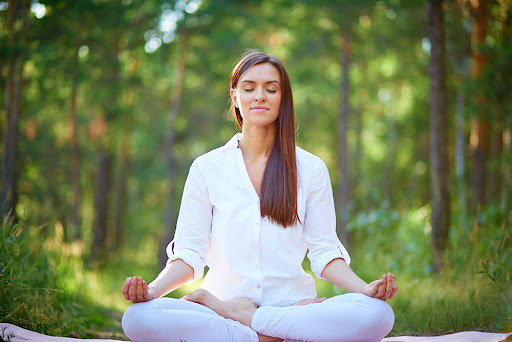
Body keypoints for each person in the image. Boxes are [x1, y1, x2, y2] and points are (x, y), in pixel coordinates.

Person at [121, 50, 398, 342]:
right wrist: (152, 291)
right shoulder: (207, 168)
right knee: (138, 318)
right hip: (218, 307)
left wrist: (364, 289)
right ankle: (276, 336)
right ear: (235, 97)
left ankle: (248, 322)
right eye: (249, 88)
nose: (260, 96)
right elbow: (189, 254)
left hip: (290, 308)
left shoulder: (311, 169)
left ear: (284, 98)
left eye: (271, 89)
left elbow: (324, 252)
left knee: (377, 314)